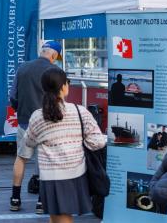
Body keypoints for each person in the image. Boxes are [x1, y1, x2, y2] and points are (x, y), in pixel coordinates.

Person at [24, 67, 106, 222]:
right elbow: (99, 141)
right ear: (63, 86)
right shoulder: (80, 111)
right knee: (63, 218)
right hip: (75, 172)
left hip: (49, 176)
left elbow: (29, 141)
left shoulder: (37, 116)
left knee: (56, 217)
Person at [8, 40, 61, 213]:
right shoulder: (55, 71)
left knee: (21, 158)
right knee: (45, 162)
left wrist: (21, 110)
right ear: (53, 55)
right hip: (48, 123)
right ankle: (41, 202)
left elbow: (13, 96)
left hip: (25, 121)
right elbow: (60, 100)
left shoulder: (22, 68)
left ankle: (15, 198)